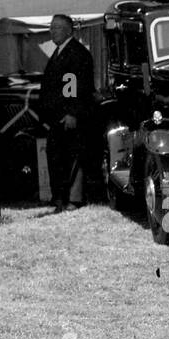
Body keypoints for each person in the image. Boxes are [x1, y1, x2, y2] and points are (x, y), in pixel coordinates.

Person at [40, 13, 95, 212]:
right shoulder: (59, 52)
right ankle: (60, 197)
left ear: (69, 30)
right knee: (58, 157)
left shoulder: (75, 53)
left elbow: (74, 86)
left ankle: (73, 199)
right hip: (57, 117)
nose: (52, 31)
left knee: (72, 157)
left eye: (57, 28)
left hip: (69, 117)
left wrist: (72, 113)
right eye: (51, 27)